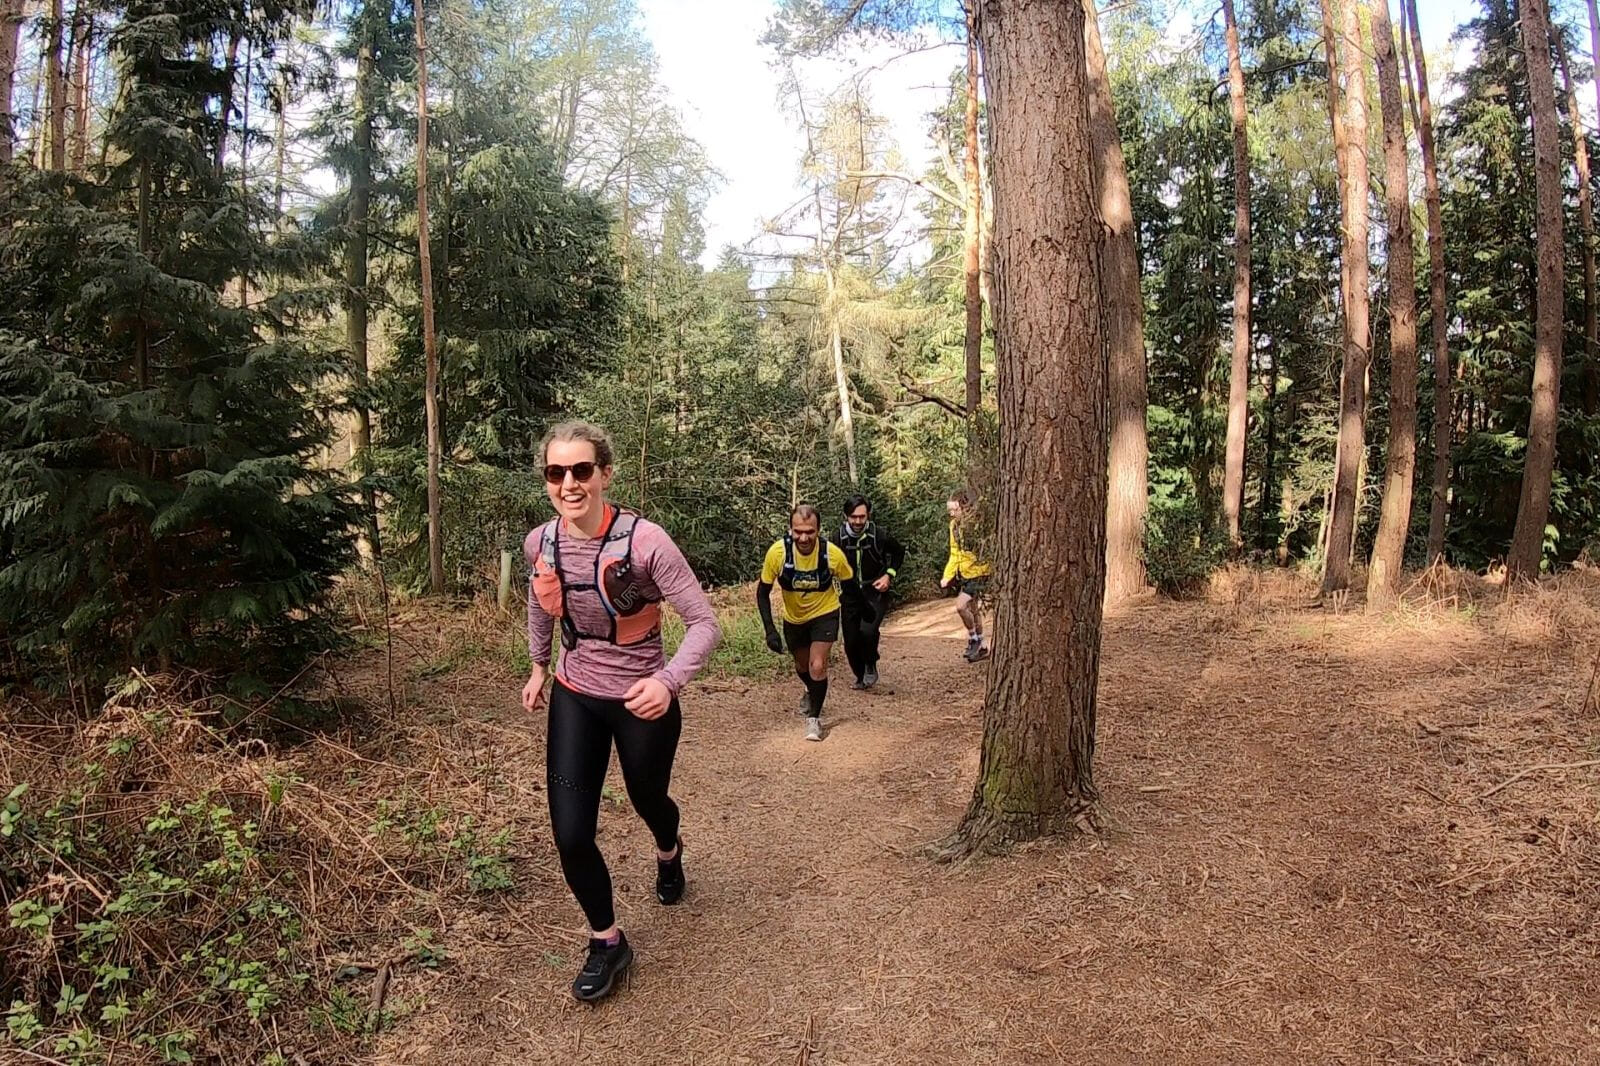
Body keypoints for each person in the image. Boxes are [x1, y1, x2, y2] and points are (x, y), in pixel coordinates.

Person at [520, 421, 722, 1004]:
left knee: (648, 800)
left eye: (581, 470)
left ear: (604, 474)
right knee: (571, 832)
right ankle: (607, 941)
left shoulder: (646, 543)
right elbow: (541, 602)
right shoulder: (543, 542)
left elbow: (704, 623)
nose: (569, 483)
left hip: (643, 700)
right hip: (575, 694)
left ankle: (669, 847)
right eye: (556, 473)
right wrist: (538, 667)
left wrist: (668, 680)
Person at [756, 503, 854, 742]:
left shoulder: (832, 554)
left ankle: (814, 719)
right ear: (790, 529)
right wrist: (770, 630)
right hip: (794, 619)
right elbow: (762, 593)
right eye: (798, 531)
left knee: (817, 665)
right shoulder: (777, 554)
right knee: (802, 667)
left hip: (825, 612)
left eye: (809, 531)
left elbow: (850, 584)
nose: (803, 537)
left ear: (818, 530)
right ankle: (812, 690)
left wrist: (860, 614)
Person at [835, 494, 905, 690]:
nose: (858, 521)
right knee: (850, 642)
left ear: (868, 516)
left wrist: (888, 575)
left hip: (874, 591)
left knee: (868, 631)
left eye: (862, 517)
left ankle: (870, 663)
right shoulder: (837, 538)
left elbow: (899, 552)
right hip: (849, 594)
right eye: (853, 517)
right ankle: (860, 673)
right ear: (846, 516)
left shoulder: (879, 535)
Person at [941, 489, 992, 662]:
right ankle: (983, 646)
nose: (951, 513)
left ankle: (973, 638)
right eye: (950, 510)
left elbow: (987, 548)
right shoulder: (954, 526)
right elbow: (955, 552)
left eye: (954, 510)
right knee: (973, 609)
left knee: (961, 606)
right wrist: (947, 575)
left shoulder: (978, 525)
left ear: (965, 507)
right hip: (965, 573)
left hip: (980, 572)